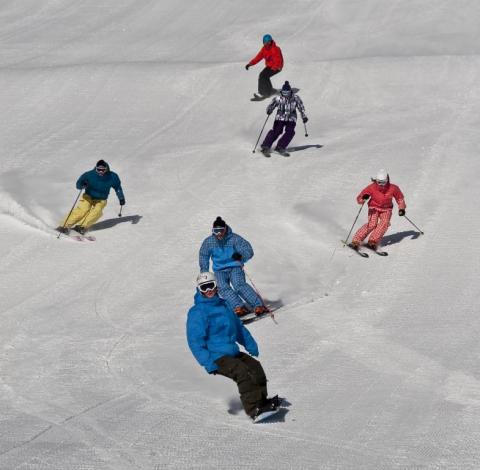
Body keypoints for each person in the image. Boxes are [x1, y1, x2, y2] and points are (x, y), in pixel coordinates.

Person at [186, 272, 280, 420]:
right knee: (242, 371)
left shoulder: (224, 306)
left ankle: (262, 401)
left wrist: (250, 345)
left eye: (210, 285)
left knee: (255, 367)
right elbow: (195, 341)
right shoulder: (197, 312)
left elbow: (238, 328)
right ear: (199, 289)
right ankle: (253, 408)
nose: (208, 290)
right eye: (204, 288)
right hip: (216, 356)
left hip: (232, 352)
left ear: (216, 285)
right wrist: (208, 362)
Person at [199, 216, 268, 317]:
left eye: (221, 230)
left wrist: (241, 256)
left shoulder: (234, 238)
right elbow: (203, 255)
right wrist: (204, 270)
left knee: (238, 284)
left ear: (225, 229)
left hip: (234, 266)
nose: (219, 234)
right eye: (216, 231)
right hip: (219, 270)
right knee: (222, 287)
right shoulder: (209, 242)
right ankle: (239, 307)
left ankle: (258, 305)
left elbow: (248, 250)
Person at [57, 160, 125, 235]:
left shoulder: (112, 176)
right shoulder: (89, 175)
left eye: (103, 170)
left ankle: (81, 227)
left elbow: (117, 187)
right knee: (82, 210)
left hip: (101, 199)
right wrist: (82, 184)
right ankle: (63, 226)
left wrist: (121, 198)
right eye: (99, 169)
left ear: (106, 169)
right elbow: (78, 185)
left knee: (97, 211)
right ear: (96, 168)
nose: (101, 172)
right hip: (88, 196)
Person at [350, 169, 406, 251]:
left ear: (387, 180)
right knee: (372, 224)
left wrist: (401, 208)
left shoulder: (393, 188)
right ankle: (356, 241)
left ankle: (372, 241)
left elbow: (400, 198)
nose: (381, 185)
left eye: (383, 182)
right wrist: (363, 197)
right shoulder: (372, 187)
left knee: (385, 223)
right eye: (379, 182)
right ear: (376, 181)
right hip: (374, 207)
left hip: (387, 209)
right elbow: (359, 199)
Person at [260, 81, 308, 157]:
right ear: (282, 91)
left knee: (290, 132)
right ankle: (266, 146)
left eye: (287, 93)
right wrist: (269, 110)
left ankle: (280, 147)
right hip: (280, 118)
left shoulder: (295, 98)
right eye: (284, 93)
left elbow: (301, 107)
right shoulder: (278, 98)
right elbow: (271, 105)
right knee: (276, 131)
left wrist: (304, 116)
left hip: (291, 118)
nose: (285, 94)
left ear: (290, 91)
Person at [245, 34, 283, 98]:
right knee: (263, 75)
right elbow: (258, 57)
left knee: (263, 76)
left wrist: (275, 67)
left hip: (277, 67)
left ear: (271, 41)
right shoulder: (264, 49)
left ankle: (262, 93)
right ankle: (270, 90)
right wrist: (250, 63)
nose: (267, 44)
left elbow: (278, 60)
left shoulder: (275, 49)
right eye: (265, 42)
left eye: (268, 42)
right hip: (270, 66)